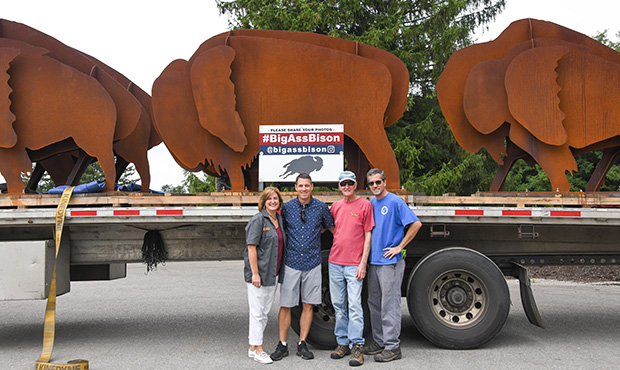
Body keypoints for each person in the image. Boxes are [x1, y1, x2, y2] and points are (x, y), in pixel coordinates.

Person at [270, 173, 335, 361]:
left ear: (312, 187)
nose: (304, 189)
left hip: (313, 262)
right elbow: (278, 230)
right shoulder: (287, 208)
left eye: (307, 185)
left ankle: (302, 343)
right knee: (286, 305)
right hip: (292, 262)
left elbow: (331, 228)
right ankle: (282, 345)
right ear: (296, 187)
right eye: (301, 186)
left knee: (308, 305)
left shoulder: (321, 208)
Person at [364, 168, 422, 362]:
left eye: (378, 182)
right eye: (371, 183)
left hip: (390, 263)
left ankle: (393, 347)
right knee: (374, 303)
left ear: (385, 182)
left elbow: (416, 224)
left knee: (390, 304)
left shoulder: (395, 201)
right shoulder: (371, 203)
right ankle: (379, 342)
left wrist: (399, 247)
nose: (375, 186)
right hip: (374, 261)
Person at [328, 171, 374, 367]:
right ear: (339, 186)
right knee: (338, 306)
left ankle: (357, 346)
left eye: (350, 183)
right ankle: (342, 343)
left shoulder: (365, 205)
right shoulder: (336, 206)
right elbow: (332, 226)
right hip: (335, 262)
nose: (346, 187)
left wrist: (363, 262)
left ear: (355, 185)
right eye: (343, 184)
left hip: (354, 264)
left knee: (354, 306)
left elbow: (368, 235)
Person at [244, 187, 286, 364]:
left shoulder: (279, 219)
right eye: (269, 199)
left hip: (273, 273)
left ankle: (252, 348)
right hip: (259, 275)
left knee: (265, 311)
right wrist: (255, 274)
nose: (272, 201)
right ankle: (259, 348)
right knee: (257, 312)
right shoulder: (258, 219)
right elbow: (251, 247)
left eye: (275, 198)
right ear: (263, 201)